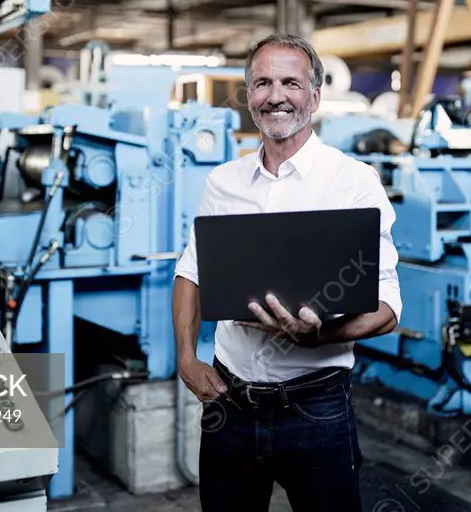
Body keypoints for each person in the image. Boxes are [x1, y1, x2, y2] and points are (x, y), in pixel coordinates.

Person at [171, 33, 402, 511]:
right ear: (249, 96)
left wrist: (320, 337)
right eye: (262, 83)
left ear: (315, 96)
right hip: (229, 404)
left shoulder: (352, 181)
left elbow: (388, 307)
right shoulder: (224, 182)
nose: (275, 95)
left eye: (291, 83)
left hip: (316, 407)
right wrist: (187, 359)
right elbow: (191, 274)